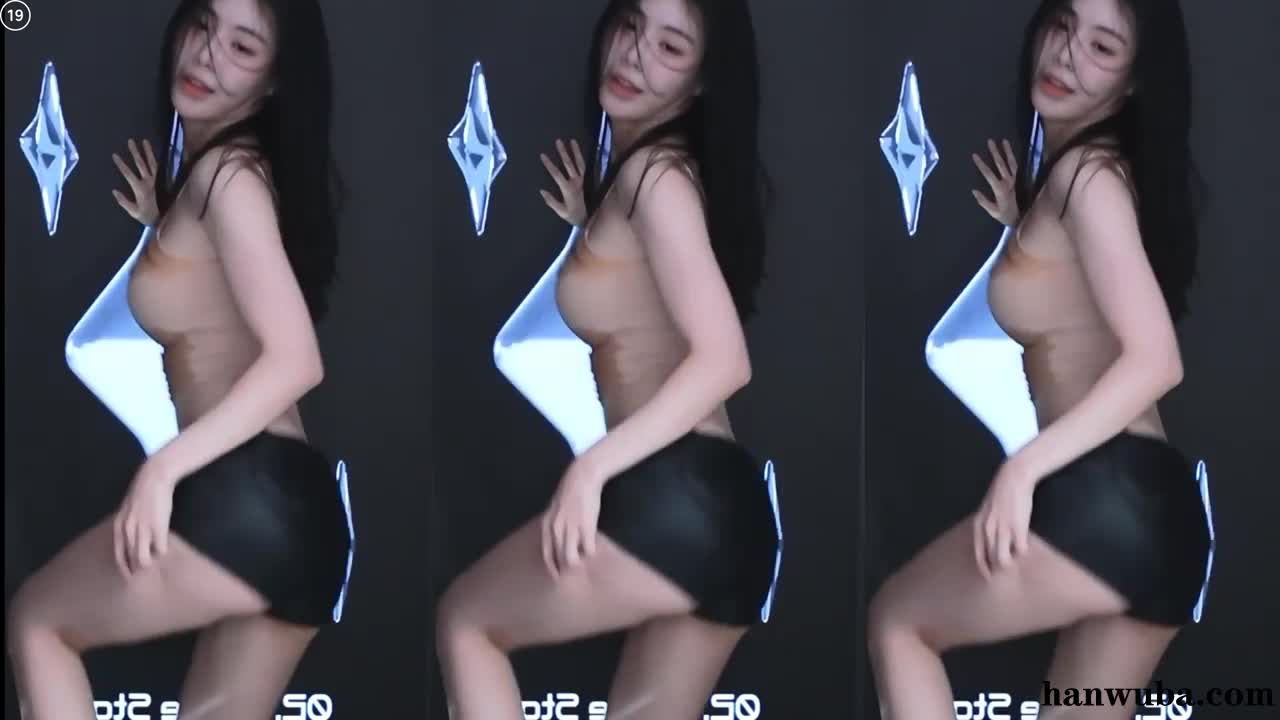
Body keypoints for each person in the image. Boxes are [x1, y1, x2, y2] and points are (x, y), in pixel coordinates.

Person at [867, 0, 1212, 717]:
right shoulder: (1080, 179)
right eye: (1062, 25)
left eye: (1102, 47)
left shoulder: (1089, 177)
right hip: (1163, 522)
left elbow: (1157, 360)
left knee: (899, 623)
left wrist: (1024, 467)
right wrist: (1024, 232)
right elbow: (1075, 303)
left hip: (1106, 492)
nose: (1066, 55)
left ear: (1133, 81)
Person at [7, 1, 350, 717]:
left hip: (244, 490)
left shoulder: (229, 178)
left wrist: (163, 469)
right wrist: (164, 231)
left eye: (242, 47)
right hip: (305, 520)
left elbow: (297, 360)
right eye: (203, 25)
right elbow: (216, 301)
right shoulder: (222, 178)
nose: (205, 55)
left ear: (274, 80)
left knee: (39, 624)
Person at [436, 0, 778, 717]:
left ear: (701, 80)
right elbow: (645, 302)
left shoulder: (657, 178)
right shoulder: (648, 178)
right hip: (729, 517)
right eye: (630, 25)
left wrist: (591, 468)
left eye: (670, 47)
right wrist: (592, 232)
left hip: (673, 491)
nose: (634, 55)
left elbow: (725, 360)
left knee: (467, 623)